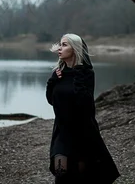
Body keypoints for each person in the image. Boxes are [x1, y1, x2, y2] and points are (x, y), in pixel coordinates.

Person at [45, 33, 120, 184]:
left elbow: (84, 103)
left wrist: (78, 77)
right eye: (60, 44)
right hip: (61, 130)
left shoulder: (86, 74)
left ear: (75, 49)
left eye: (65, 44)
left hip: (82, 131)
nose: (60, 48)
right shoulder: (58, 73)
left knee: (82, 174)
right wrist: (52, 81)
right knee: (61, 170)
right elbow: (51, 101)